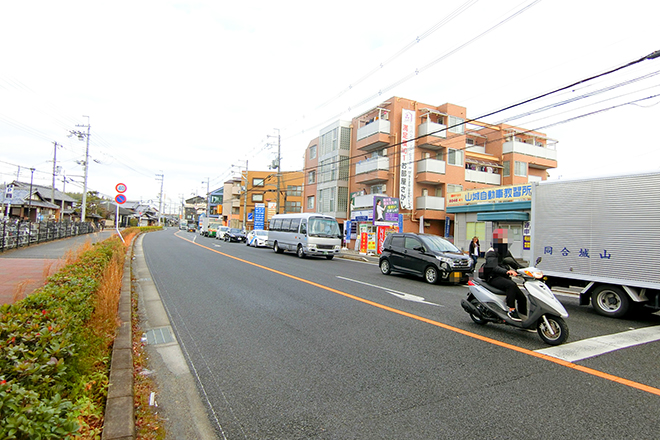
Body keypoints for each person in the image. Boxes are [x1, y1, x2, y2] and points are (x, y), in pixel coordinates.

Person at [483, 229, 526, 321]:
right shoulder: (491, 252)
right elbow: (494, 267)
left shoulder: (506, 252)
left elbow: (515, 264)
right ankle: (511, 310)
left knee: (522, 297)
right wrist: (507, 271)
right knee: (511, 285)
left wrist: (528, 271)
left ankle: (524, 318)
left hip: (503, 276)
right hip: (493, 277)